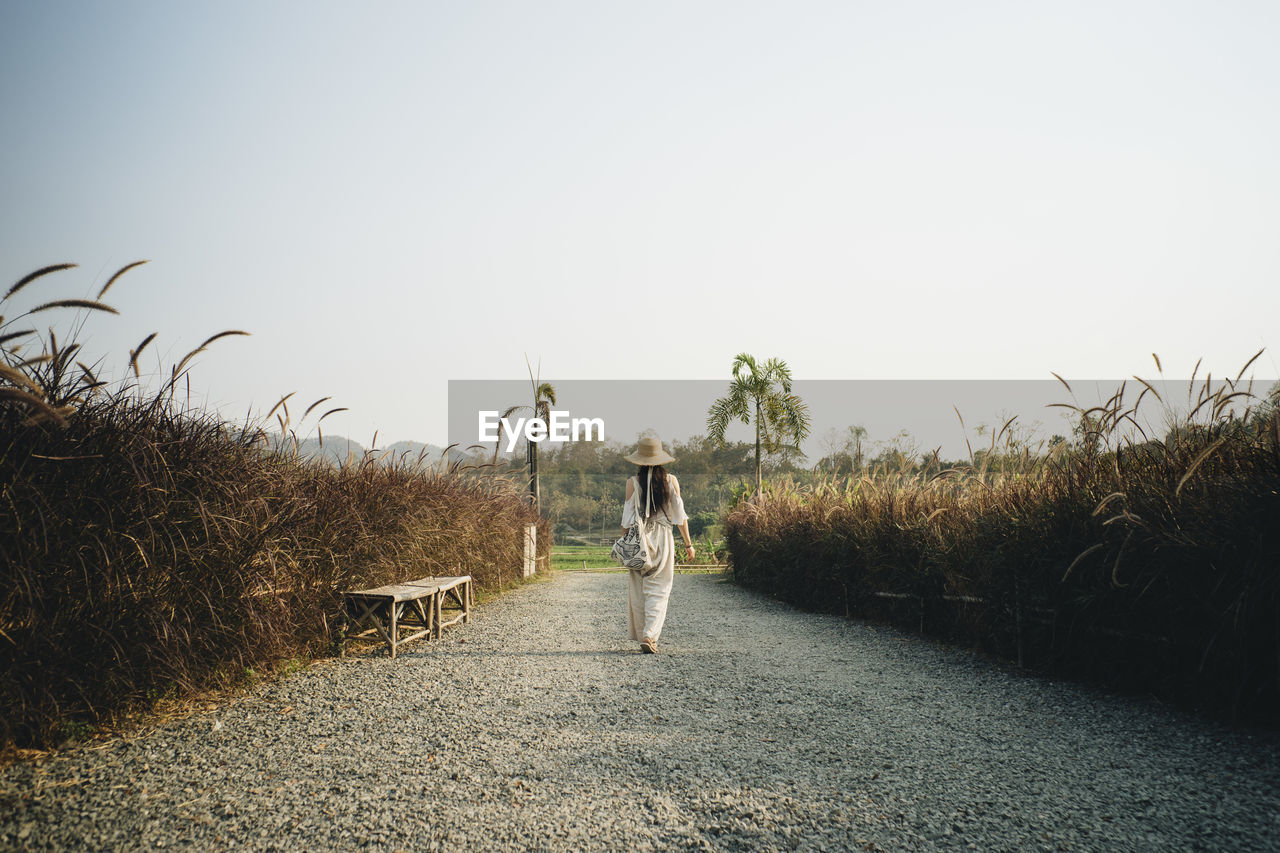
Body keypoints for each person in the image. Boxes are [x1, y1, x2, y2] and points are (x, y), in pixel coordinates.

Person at [620, 435, 694, 654]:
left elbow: (626, 519)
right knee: (659, 590)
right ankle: (649, 635)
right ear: (660, 459)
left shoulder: (632, 483)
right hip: (663, 539)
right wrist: (689, 545)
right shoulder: (671, 481)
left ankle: (645, 632)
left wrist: (627, 544)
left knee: (639, 590)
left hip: (639, 539)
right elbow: (680, 517)